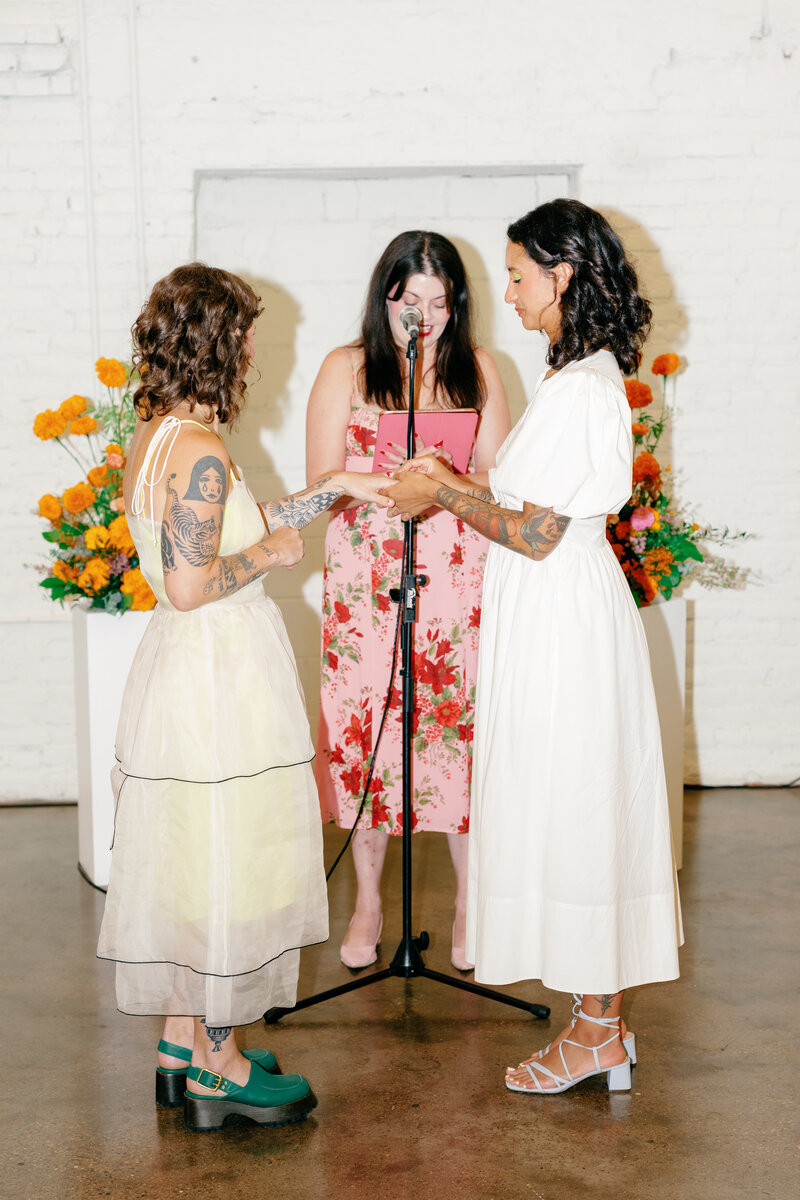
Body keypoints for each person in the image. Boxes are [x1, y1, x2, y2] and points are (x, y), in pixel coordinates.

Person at [387, 200, 683, 1094]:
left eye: (518, 275)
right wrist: (460, 483)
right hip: (552, 618)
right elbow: (527, 504)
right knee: (569, 809)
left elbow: (536, 533)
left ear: (563, 275)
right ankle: (599, 1026)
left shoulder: (586, 386)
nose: (507, 293)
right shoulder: (575, 380)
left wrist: (440, 484)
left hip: (565, 624)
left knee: (582, 813)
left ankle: (598, 1031)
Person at [97, 263, 391, 1131]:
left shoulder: (156, 433)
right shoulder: (201, 452)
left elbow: (224, 529)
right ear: (220, 343)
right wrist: (269, 558)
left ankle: (180, 1043)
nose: (258, 348)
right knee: (233, 862)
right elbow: (196, 582)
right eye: (248, 334)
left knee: (195, 858)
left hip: (187, 672)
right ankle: (220, 1067)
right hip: (220, 675)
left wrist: (340, 488)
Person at [307, 231, 510, 972]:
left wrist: (446, 478)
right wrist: (381, 477)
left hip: (457, 577)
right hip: (368, 577)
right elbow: (319, 484)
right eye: (409, 302)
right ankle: (367, 900)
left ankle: (467, 902)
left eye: (440, 303)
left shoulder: (479, 371)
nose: (424, 318)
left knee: (457, 736)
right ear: (384, 298)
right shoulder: (345, 368)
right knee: (371, 737)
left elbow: (506, 484)